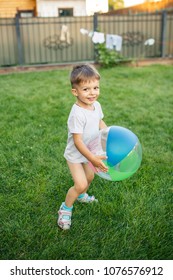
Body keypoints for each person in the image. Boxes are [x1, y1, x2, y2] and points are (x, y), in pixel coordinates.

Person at [58, 64, 108, 230]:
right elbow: (78, 141)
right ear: (75, 92)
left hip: (90, 152)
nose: (92, 92)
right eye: (86, 89)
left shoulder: (97, 105)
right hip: (76, 155)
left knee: (89, 178)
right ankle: (66, 208)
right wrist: (92, 158)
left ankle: (81, 196)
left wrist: (107, 134)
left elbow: (99, 121)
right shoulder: (77, 113)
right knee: (79, 183)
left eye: (95, 87)